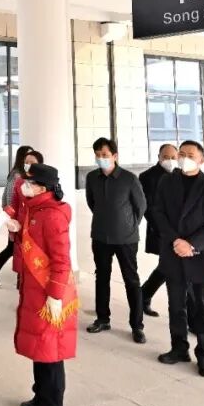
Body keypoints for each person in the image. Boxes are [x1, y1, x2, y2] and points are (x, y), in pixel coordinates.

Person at [151, 140, 204, 378]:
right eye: (181, 154)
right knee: (176, 306)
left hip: (201, 254)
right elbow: (158, 213)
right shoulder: (167, 181)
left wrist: (191, 244)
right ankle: (179, 348)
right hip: (174, 252)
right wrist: (176, 241)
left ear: (201, 160)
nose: (184, 158)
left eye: (191, 155)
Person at [8, 163, 76, 406]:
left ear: (43, 188)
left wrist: (55, 295)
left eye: (30, 183)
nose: (24, 186)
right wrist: (17, 232)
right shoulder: (34, 209)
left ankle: (53, 405)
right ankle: (40, 397)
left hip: (49, 293)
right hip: (35, 289)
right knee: (40, 347)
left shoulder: (53, 216)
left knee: (51, 350)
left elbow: (61, 260)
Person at [84, 137, 147, 344]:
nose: (100, 158)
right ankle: (102, 319)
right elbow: (92, 203)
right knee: (101, 277)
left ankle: (137, 326)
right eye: (97, 155)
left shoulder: (129, 178)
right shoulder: (92, 177)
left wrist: (128, 224)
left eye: (104, 154)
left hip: (126, 238)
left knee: (131, 279)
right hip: (100, 236)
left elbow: (140, 206)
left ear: (115, 156)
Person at [139, 143, 179, 317]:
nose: (170, 160)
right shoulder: (147, 177)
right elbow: (146, 207)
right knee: (169, 266)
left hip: (181, 232)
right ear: (159, 157)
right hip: (160, 231)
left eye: (173, 157)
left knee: (168, 266)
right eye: (166, 157)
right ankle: (143, 296)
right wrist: (163, 229)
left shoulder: (180, 174)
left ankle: (143, 296)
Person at [0, 146, 37, 286]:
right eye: (27, 158)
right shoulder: (17, 175)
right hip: (16, 221)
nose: (29, 162)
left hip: (27, 220)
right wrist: (12, 221)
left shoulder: (30, 175)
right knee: (12, 248)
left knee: (20, 249)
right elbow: (10, 199)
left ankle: (19, 280)